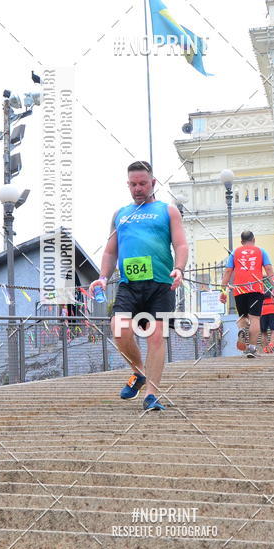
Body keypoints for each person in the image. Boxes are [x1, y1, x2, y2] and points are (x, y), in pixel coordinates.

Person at [89, 161, 188, 412]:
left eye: (143, 183)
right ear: (128, 184)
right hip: (129, 284)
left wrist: (179, 268)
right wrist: (103, 277)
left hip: (161, 284)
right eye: (133, 184)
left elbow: (180, 244)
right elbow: (110, 251)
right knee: (119, 328)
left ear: (153, 183)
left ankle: (151, 394)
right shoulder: (120, 214)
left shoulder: (167, 211)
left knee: (156, 335)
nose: (138, 188)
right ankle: (139, 372)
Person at [220, 231, 274, 358]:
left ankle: (242, 330)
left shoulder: (234, 253)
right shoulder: (261, 251)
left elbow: (228, 271)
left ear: (241, 241)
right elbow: (269, 269)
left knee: (243, 316)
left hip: (240, 289)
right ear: (253, 240)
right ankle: (251, 348)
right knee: (255, 318)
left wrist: (223, 291)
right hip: (255, 288)